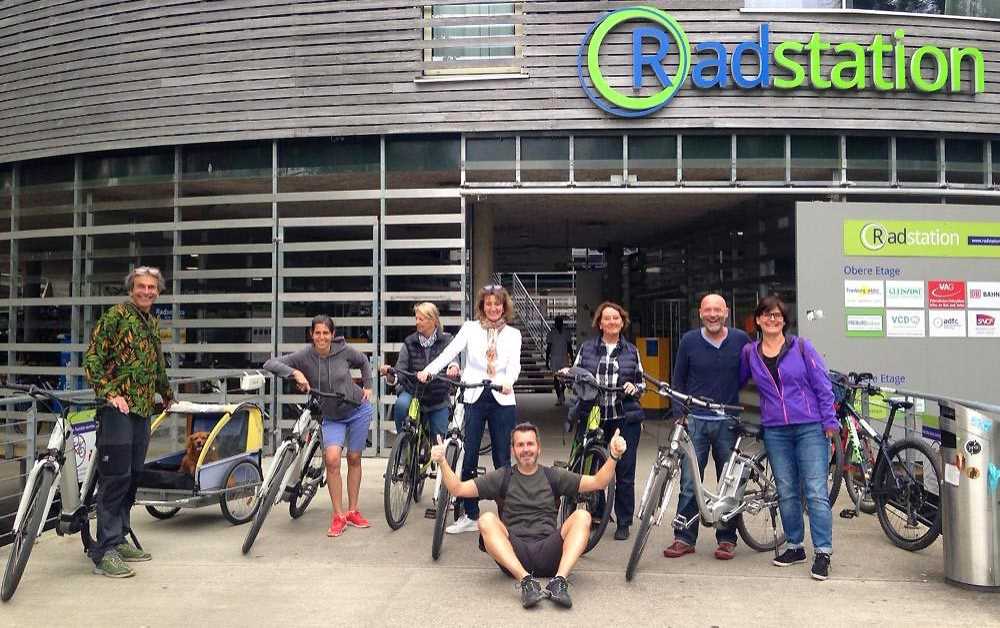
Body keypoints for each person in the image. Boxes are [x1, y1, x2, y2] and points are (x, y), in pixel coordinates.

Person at [431, 422, 627, 609]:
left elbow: (599, 482)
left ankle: (559, 582)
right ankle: (526, 582)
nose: (526, 449)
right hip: (514, 555)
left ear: (538, 448)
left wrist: (613, 456)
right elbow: (457, 489)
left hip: (550, 552)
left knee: (582, 516)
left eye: (530, 444)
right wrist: (442, 461)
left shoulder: (553, 476)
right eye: (520, 444)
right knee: (487, 519)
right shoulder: (502, 476)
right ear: (513, 450)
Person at [739, 294, 837, 581]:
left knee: (816, 490)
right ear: (757, 320)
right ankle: (795, 545)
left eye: (777, 315)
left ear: (784, 320)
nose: (772, 319)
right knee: (786, 490)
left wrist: (829, 422)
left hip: (809, 427)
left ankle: (822, 552)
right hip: (776, 431)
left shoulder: (802, 347)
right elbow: (736, 381)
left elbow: (823, 385)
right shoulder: (750, 353)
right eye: (767, 315)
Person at [84, 265, 173, 578]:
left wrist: (168, 395)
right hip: (117, 411)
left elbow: (156, 366)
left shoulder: (150, 321)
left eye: (152, 287)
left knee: (133, 475)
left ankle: (120, 536)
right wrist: (110, 393)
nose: (146, 291)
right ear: (131, 288)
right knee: (115, 477)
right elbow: (92, 358)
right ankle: (104, 550)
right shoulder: (116, 316)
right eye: (141, 286)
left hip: (142, 409)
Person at [418, 284, 521, 534]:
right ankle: (471, 514)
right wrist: (429, 370)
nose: (493, 308)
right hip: (474, 394)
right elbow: (449, 352)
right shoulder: (470, 329)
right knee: (470, 455)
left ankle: (507, 516)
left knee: (502, 460)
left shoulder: (513, 334)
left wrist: (509, 383)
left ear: (504, 306)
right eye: (488, 304)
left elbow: (515, 366)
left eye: (498, 304)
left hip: (502, 397)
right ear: (482, 306)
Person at [263, 315, 374, 538]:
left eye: (326, 333)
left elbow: (363, 361)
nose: (321, 337)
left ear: (333, 335)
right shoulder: (305, 356)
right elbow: (270, 364)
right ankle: (338, 516)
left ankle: (353, 511)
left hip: (357, 410)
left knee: (354, 458)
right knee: (332, 460)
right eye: (317, 333)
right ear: (311, 335)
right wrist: (295, 373)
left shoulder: (344, 351)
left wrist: (368, 386)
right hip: (331, 416)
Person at [663, 293, 751, 561]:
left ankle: (727, 539)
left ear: (726, 313)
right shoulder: (689, 341)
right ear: (700, 313)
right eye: (708, 310)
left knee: (730, 485)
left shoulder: (741, 340)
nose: (713, 315)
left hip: (729, 423)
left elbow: (751, 379)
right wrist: (681, 415)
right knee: (690, 483)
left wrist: (749, 414)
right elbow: (678, 381)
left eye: (718, 310)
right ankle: (683, 538)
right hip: (696, 422)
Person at [562, 301, 644, 541]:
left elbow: (641, 383)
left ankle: (624, 520)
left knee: (625, 471)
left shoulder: (631, 350)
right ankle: (596, 513)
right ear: (600, 323)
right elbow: (575, 375)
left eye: (616, 318)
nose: (611, 322)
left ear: (622, 322)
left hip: (623, 417)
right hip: (595, 414)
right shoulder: (587, 348)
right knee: (593, 466)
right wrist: (568, 374)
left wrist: (633, 387)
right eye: (606, 318)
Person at [379, 302, 455, 441]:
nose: (417, 322)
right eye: (416, 319)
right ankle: (403, 446)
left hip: (437, 397)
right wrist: (391, 375)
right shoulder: (409, 342)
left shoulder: (447, 341)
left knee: (438, 440)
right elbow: (400, 371)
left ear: (433, 320)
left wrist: (453, 369)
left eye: (421, 319)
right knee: (401, 405)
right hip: (413, 392)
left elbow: (453, 363)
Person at [545, 315, 572, 406]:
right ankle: (559, 397)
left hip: (564, 357)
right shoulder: (551, 333)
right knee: (556, 378)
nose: (558, 324)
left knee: (564, 378)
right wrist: (546, 360)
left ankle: (562, 393)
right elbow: (548, 348)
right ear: (555, 323)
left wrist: (572, 357)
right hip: (554, 358)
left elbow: (569, 346)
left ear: (562, 323)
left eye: (560, 322)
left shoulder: (566, 332)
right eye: (557, 322)